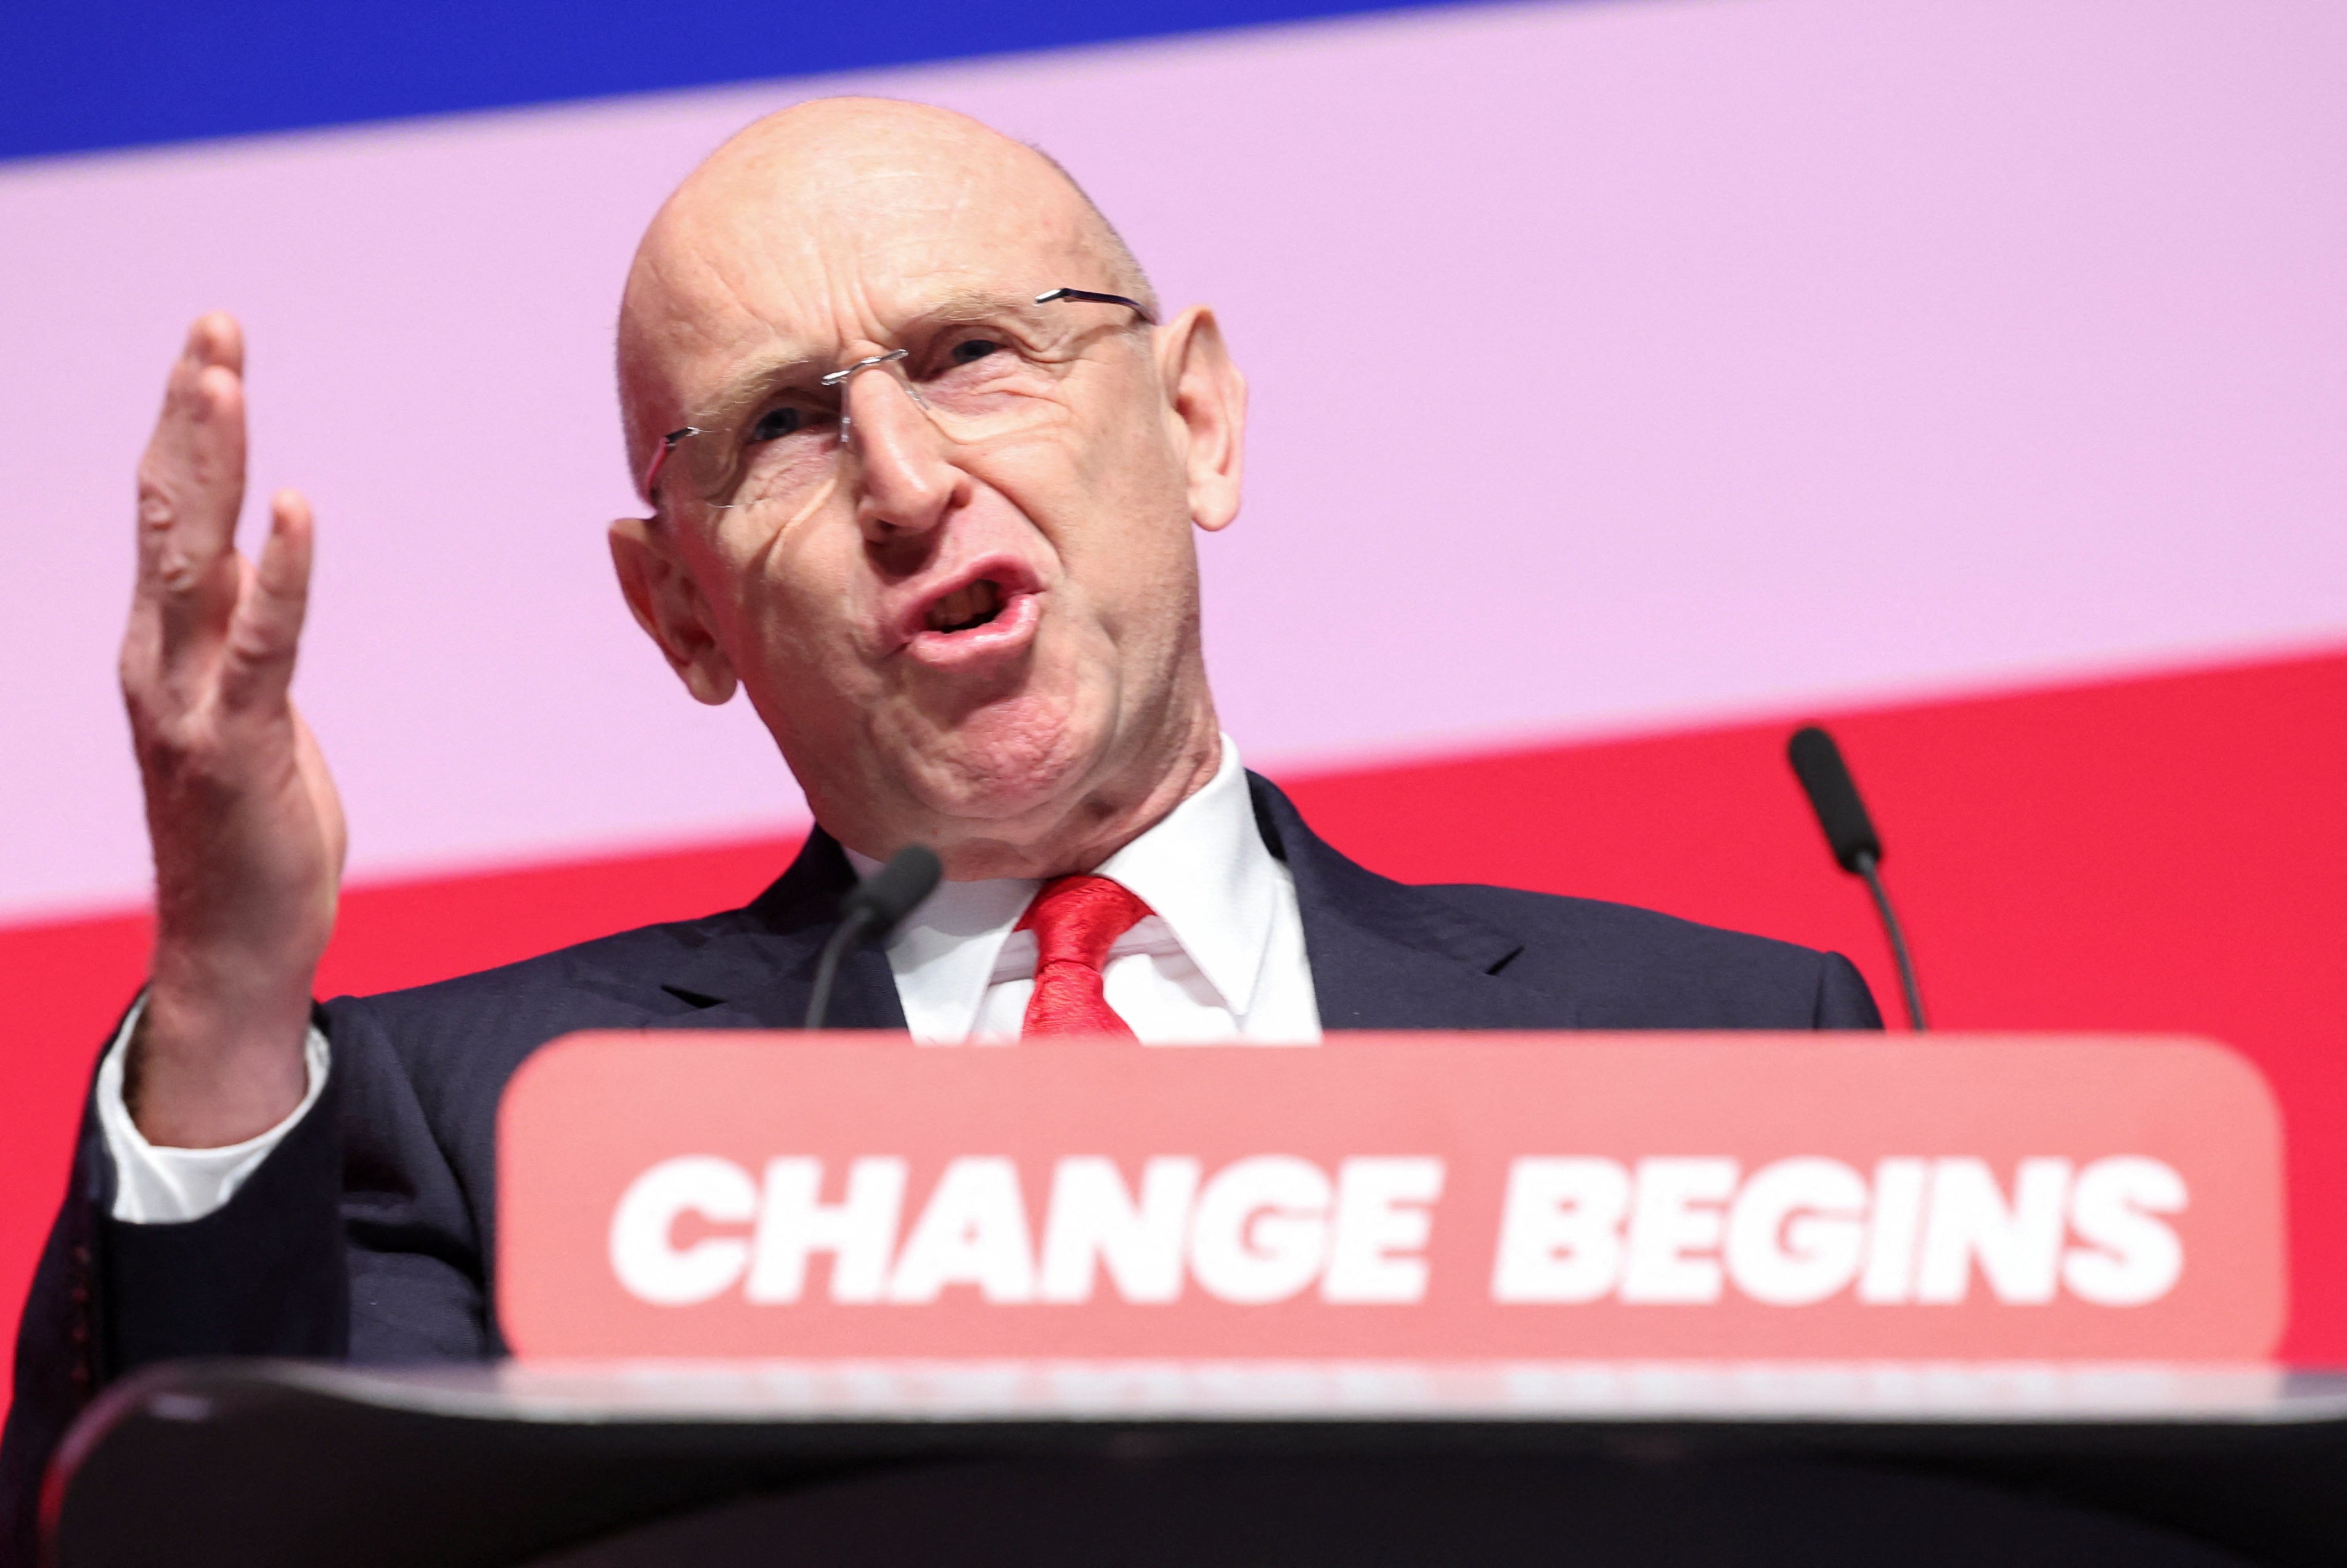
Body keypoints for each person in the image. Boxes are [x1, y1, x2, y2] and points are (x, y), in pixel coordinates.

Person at [0, 97, 1877, 1549]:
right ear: (681, 612)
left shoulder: (1719, 1053)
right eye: (787, 429)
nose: (906, 479)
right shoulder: (485, 1131)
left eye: (976, 350)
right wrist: (231, 986)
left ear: (1200, 419)